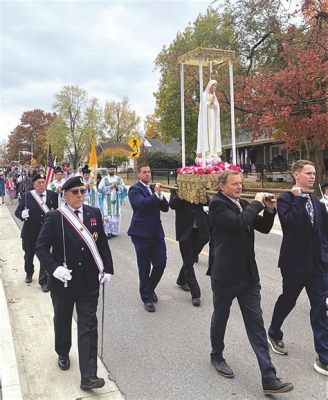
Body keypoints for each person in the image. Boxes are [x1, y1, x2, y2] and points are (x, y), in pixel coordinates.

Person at [208, 170, 293, 395]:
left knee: (256, 325)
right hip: (225, 275)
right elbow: (237, 224)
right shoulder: (217, 205)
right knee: (221, 316)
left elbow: (263, 227)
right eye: (234, 184)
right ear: (222, 186)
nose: (239, 187)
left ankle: (269, 377)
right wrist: (256, 203)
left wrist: (270, 209)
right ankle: (216, 355)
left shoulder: (243, 204)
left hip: (248, 276)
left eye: (240, 183)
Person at [35, 176, 114, 391]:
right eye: (75, 192)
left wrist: (108, 269)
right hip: (64, 283)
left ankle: (88, 377)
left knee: (88, 325)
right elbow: (41, 249)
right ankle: (62, 350)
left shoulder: (93, 214)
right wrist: (55, 269)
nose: (80, 195)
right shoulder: (54, 218)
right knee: (62, 319)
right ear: (65, 195)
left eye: (83, 191)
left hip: (89, 281)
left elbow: (103, 246)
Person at [268, 160, 328, 376]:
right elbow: (290, 225)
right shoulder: (286, 199)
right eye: (308, 173)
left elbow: (323, 233)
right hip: (294, 264)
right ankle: (274, 332)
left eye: (314, 173)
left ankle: (324, 357)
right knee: (288, 300)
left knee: (320, 308)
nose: (313, 176)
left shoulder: (318, 203)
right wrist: (298, 199)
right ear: (296, 175)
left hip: (318, 265)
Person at [128, 164, 169, 312]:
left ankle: (149, 289)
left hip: (156, 233)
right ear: (139, 174)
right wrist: (155, 195)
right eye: (144, 172)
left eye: (149, 172)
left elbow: (165, 208)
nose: (147, 174)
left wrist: (159, 195)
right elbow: (142, 205)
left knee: (160, 263)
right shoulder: (134, 190)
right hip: (140, 234)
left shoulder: (153, 189)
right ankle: (146, 298)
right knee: (144, 267)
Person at [15, 173, 58, 291]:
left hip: (46, 233)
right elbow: (17, 211)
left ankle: (43, 280)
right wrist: (22, 215)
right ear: (34, 184)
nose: (41, 184)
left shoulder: (53, 195)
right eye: (38, 182)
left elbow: (58, 212)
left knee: (45, 256)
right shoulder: (27, 196)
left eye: (43, 182)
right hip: (30, 232)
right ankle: (29, 273)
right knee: (29, 256)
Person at [169, 189, 209, 306]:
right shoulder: (176, 190)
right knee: (188, 261)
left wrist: (201, 194)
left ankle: (181, 279)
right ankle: (195, 293)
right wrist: (183, 193)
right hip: (185, 231)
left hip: (200, 231)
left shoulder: (200, 188)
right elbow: (172, 205)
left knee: (190, 259)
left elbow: (208, 203)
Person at [196, 79, 222, 165]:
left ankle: (213, 151)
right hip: (206, 118)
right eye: (214, 85)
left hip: (212, 118)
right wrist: (210, 102)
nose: (215, 87)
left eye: (216, 86)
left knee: (213, 135)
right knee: (207, 134)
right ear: (210, 86)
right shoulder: (205, 95)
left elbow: (217, 107)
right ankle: (206, 152)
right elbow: (203, 107)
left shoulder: (214, 96)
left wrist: (214, 104)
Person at [98, 164, 126, 237]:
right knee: (107, 215)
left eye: (113, 169)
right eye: (110, 169)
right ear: (108, 170)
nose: (112, 170)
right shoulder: (104, 179)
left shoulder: (119, 179)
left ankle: (114, 231)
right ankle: (108, 232)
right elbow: (100, 189)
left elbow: (123, 188)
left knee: (115, 215)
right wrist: (110, 187)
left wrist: (117, 186)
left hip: (116, 200)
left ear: (115, 170)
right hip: (107, 200)